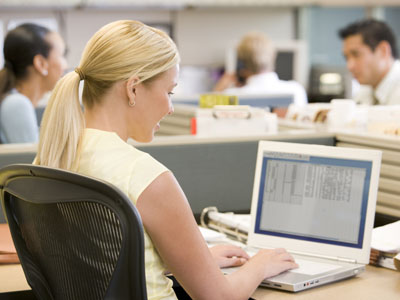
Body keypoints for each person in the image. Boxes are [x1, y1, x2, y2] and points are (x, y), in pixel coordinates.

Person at [35, 20, 297, 300]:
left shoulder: (52, 157)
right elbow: (218, 297)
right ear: (133, 88)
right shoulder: (144, 175)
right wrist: (260, 265)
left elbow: (100, 262)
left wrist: (196, 261)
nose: (171, 108)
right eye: (169, 92)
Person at [0, 23, 67, 143]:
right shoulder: (17, 104)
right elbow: (31, 161)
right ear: (40, 64)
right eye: (61, 56)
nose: (65, 65)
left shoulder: (15, 101)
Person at [214, 32, 308, 107]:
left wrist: (218, 90)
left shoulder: (230, 96)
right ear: (273, 56)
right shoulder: (296, 90)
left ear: (241, 63)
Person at [339, 19, 400, 105]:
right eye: (347, 58)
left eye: (356, 54)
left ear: (383, 51)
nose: (350, 66)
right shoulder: (365, 92)